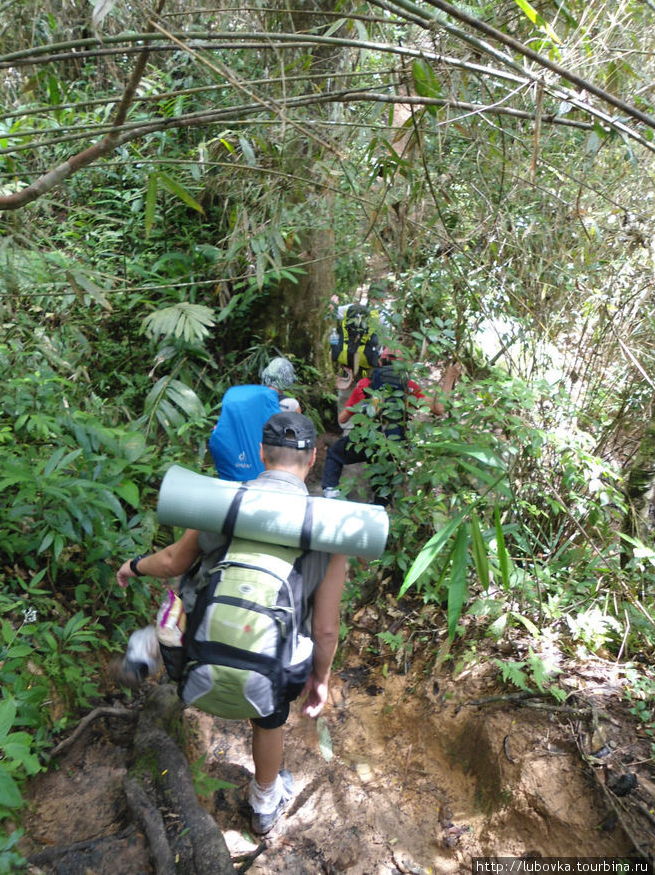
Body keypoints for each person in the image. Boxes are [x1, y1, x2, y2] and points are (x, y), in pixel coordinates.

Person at [116, 412, 347, 836]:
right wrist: (321, 676)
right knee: (269, 720)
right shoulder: (330, 528)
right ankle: (263, 805)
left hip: (196, 654)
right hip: (268, 669)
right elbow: (326, 627)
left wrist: (134, 566)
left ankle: (149, 645)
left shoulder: (225, 502)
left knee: (184, 598)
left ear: (261, 453)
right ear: (313, 457)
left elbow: (172, 562)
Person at [322, 350, 462, 502]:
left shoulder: (366, 384)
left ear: (380, 362)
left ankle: (330, 493)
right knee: (383, 486)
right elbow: (438, 409)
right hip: (393, 444)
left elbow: (342, 419)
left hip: (365, 440)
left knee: (335, 454)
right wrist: (450, 377)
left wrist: (363, 406)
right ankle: (379, 511)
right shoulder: (409, 387)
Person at [208, 356, 301, 481]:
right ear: (287, 381)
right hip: (269, 471)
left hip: (235, 468)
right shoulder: (291, 405)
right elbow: (298, 437)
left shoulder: (244, 399)